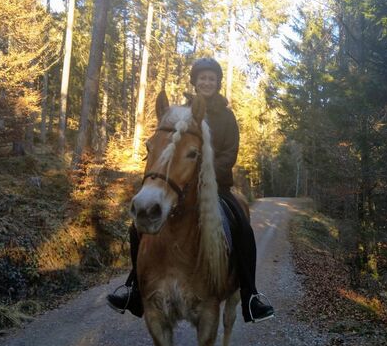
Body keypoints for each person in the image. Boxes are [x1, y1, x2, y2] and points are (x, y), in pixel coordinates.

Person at [107, 58, 274, 323]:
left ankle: (250, 295)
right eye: (202, 78)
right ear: (194, 82)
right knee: (136, 228)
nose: (207, 82)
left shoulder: (227, 116)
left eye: (211, 78)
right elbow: (170, 148)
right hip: (182, 186)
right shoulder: (182, 113)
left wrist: (206, 175)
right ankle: (135, 287)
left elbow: (230, 153)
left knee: (242, 225)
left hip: (217, 186)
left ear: (217, 83)